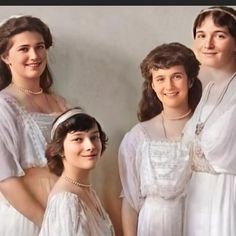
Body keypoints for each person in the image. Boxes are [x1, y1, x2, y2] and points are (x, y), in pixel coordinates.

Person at [118, 42, 202, 236]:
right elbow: (130, 201)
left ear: (189, 80)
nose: (169, 86)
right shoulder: (138, 136)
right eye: (161, 79)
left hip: (198, 221)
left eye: (177, 76)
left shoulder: (204, 128)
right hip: (154, 227)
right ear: (152, 85)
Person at [0, 15, 68, 235]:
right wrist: (48, 225)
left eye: (39, 47)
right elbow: (5, 179)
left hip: (66, 209)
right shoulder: (4, 106)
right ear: (5, 56)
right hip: (28, 217)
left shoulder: (61, 103)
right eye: (24, 49)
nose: (34, 55)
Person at [182, 6, 236, 236]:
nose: (208, 44)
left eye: (220, 35)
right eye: (201, 35)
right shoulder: (209, 90)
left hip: (227, 198)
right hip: (197, 199)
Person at [39, 107, 115, 236]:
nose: (90, 146)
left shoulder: (86, 190)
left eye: (94, 137)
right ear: (60, 149)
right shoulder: (66, 201)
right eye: (78, 139)